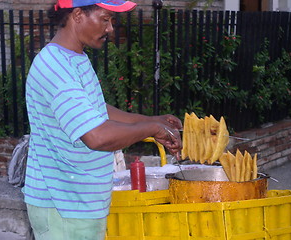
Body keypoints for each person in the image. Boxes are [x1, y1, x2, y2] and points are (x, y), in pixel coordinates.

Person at [23, 0, 182, 239]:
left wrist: (153, 120)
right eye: (105, 19)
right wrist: (151, 128)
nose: (110, 29)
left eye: (112, 21)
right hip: (64, 205)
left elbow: (97, 110)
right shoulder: (55, 66)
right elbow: (96, 136)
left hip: (80, 201)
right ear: (77, 15)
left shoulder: (74, 57)